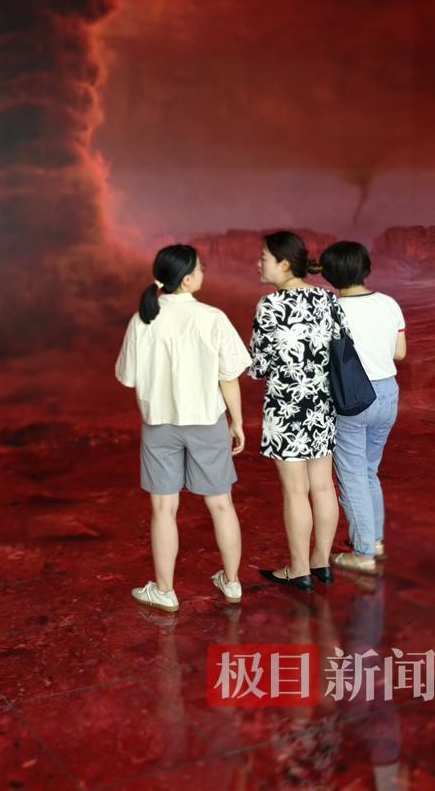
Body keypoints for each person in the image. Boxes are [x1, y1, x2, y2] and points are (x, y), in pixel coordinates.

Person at [116, 244, 251, 613]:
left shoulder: (143, 319)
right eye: (200, 268)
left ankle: (164, 590)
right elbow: (228, 377)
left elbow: (127, 377)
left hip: (160, 425)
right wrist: (237, 421)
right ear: (187, 279)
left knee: (164, 509)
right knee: (221, 504)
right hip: (208, 422)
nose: (204, 273)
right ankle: (232, 582)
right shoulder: (213, 318)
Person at [248, 231, 351, 592]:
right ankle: (322, 563)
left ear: (284, 263)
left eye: (264, 258)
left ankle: (299, 570)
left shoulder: (270, 306)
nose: (259, 264)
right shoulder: (328, 298)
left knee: (295, 491)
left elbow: (259, 366)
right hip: (322, 403)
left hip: (285, 406)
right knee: (323, 486)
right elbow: (343, 345)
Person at [320, 241, 406, 576]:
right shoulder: (388, 303)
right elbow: (399, 353)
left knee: (352, 477)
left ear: (329, 274)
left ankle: (363, 553)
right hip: (388, 394)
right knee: (369, 471)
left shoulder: (330, 308)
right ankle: (376, 541)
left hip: (352, 397)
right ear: (366, 267)